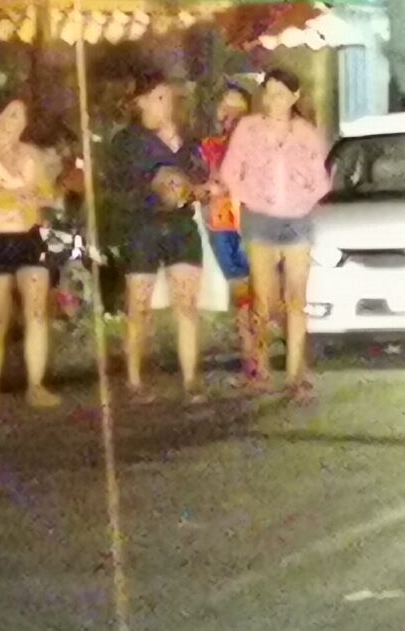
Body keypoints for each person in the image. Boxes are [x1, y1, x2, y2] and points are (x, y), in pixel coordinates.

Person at [217, 65, 332, 395]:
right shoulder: (249, 129)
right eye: (269, 93)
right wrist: (252, 197)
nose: (274, 100)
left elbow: (321, 178)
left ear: (294, 97)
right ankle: (260, 367)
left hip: (297, 220)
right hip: (260, 219)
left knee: (296, 298)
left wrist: (302, 199)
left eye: (281, 94)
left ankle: (296, 372)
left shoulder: (306, 132)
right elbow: (230, 172)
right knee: (262, 299)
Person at [96, 73, 213, 400]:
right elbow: (120, 188)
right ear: (140, 102)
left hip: (180, 225)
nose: (165, 103)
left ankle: (191, 378)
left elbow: (198, 178)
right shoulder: (127, 142)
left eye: (167, 97)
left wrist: (200, 190)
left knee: (187, 304)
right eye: (157, 97)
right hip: (142, 227)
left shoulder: (188, 140)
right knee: (139, 305)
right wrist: (156, 188)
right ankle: (134, 379)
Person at [0, 91, 65, 411]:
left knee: (36, 311)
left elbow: (48, 194)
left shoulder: (32, 155)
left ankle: (36, 385)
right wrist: (24, 194)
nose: (17, 123)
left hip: (29, 237)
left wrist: (29, 195)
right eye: (10, 115)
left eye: (21, 116)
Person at [198, 83, 263, 382]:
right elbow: (198, 183)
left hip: (251, 224)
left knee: (258, 292)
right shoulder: (208, 146)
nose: (231, 114)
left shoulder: (259, 144)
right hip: (221, 224)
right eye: (226, 107)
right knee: (241, 295)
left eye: (238, 109)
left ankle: (260, 358)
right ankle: (249, 358)